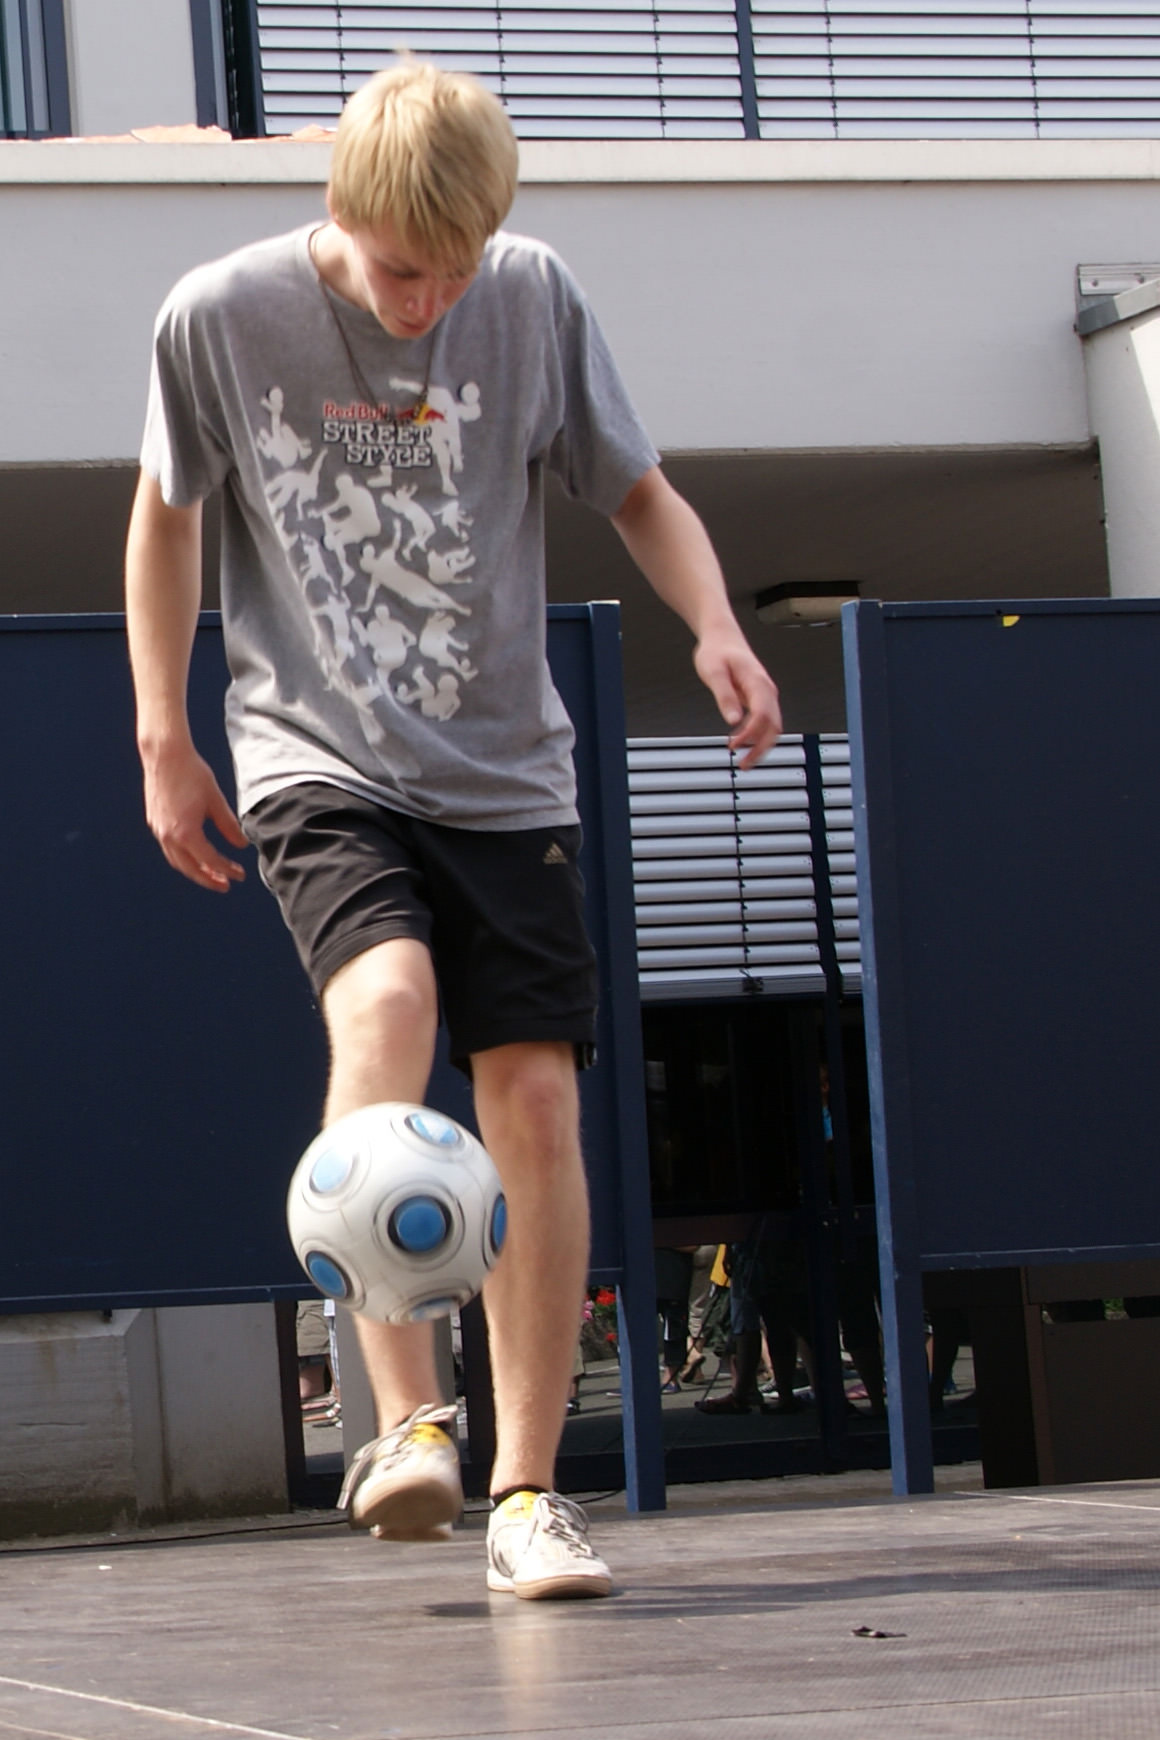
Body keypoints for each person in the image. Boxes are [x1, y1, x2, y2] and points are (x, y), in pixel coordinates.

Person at [124, 57, 781, 1601]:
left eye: (455, 272)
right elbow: (165, 514)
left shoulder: (534, 297)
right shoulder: (221, 314)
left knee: (534, 1098)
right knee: (390, 1000)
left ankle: (529, 1493)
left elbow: (639, 491)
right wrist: (162, 730)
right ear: (339, 209)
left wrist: (716, 623)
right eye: (399, 272)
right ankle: (408, 1418)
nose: (426, 304)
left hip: (504, 773)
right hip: (317, 754)